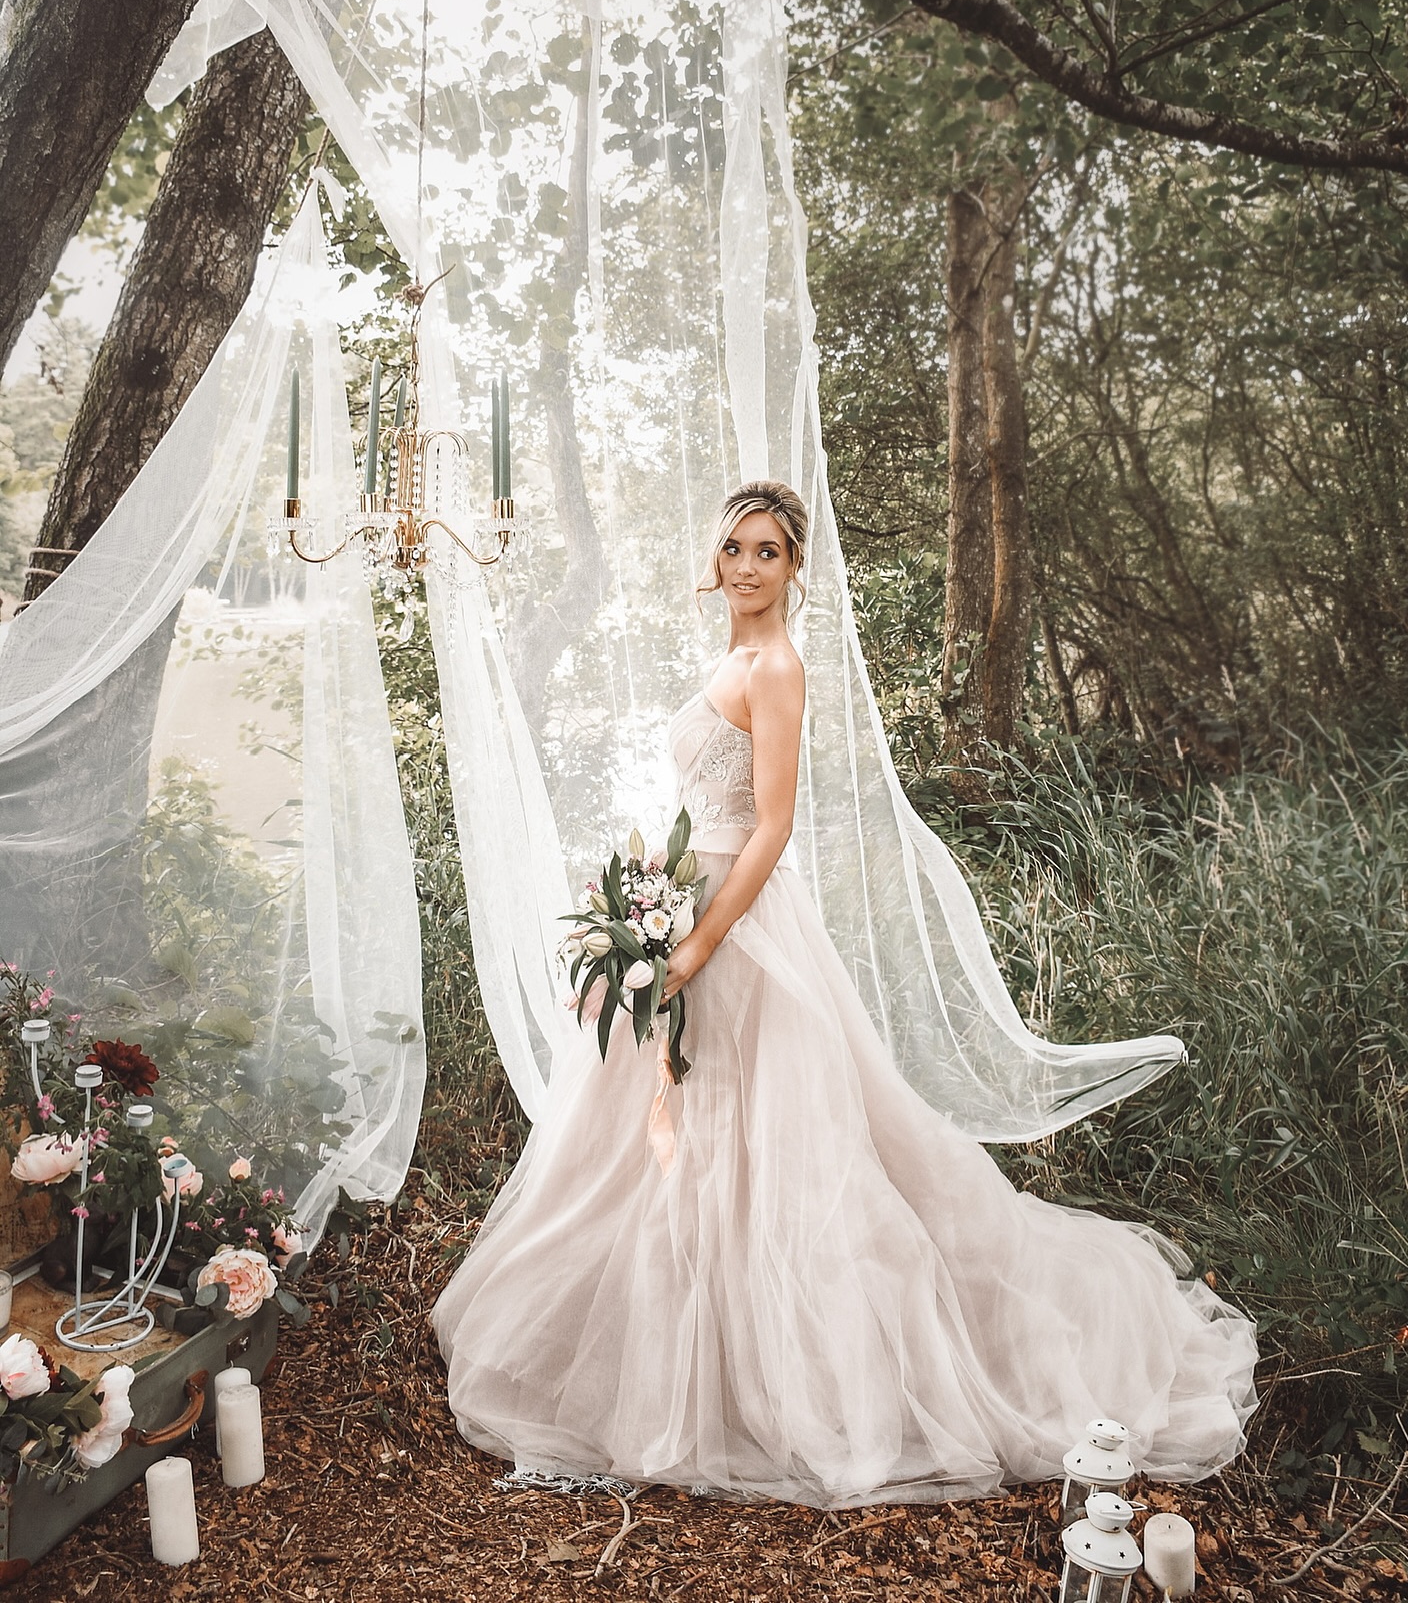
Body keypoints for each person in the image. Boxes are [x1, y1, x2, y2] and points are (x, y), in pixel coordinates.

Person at [432, 479, 1257, 1508]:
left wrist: (693, 951)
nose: (744, 565)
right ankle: (661, 1335)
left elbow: (770, 827)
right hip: (684, 902)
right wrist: (648, 900)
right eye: (733, 546)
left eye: (767, 551)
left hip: (740, 926)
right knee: (662, 1134)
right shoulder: (729, 657)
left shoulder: (778, 667)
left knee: (765, 1138)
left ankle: (782, 1369)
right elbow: (703, 800)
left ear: (792, 570)